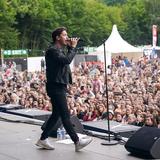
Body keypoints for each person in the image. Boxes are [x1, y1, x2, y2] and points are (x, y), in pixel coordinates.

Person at [36, 27, 92, 151]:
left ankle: (43, 139)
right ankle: (77, 142)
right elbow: (66, 60)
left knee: (56, 114)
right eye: (64, 35)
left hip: (59, 85)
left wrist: (69, 47)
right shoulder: (52, 50)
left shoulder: (58, 50)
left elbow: (64, 61)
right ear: (57, 37)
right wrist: (72, 47)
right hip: (55, 86)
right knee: (65, 115)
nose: (67, 37)